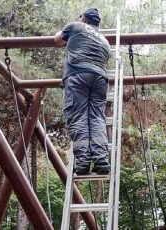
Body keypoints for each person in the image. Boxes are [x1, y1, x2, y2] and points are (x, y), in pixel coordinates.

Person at [54, 8, 111, 175]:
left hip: (78, 75)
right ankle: (101, 160)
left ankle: (84, 162)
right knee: (96, 118)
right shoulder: (105, 41)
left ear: (84, 18)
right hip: (100, 79)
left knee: (78, 117)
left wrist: (62, 31)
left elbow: (58, 41)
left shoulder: (76, 27)